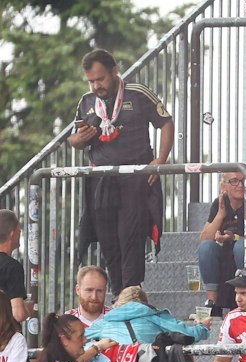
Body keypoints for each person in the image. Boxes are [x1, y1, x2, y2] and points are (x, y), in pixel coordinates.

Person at [69, 49, 172, 291]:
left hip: (135, 177)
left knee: (131, 237)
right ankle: (118, 294)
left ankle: (132, 291)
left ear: (114, 71)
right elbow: (74, 140)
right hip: (102, 180)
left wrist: (159, 161)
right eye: (91, 81)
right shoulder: (86, 101)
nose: (96, 86)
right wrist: (81, 138)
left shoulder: (137, 94)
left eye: (100, 79)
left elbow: (166, 122)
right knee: (108, 241)